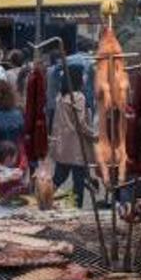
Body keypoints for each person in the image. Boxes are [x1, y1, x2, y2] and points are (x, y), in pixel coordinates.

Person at [49, 65, 95, 208]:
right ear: (77, 78)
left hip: (63, 145)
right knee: (78, 182)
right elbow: (81, 123)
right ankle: (77, 210)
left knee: (58, 177)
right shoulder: (79, 97)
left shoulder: (61, 96)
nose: (85, 78)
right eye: (83, 75)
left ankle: (42, 197)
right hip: (77, 147)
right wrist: (95, 135)